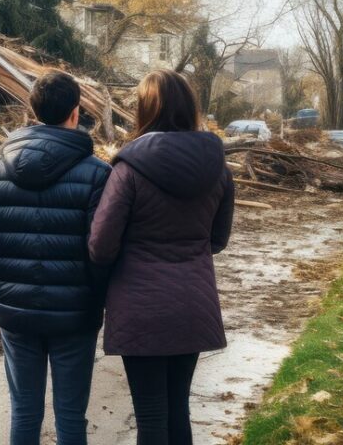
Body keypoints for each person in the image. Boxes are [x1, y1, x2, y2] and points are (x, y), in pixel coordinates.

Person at [0, 71, 111, 445]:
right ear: (75, 113)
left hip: (17, 309)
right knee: (71, 415)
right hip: (76, 311)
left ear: (32, 110)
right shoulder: (98, 175)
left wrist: (7, 278)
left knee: (24, 410)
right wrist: (92, 289)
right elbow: (103, 247)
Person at [88, 70, 234, 445]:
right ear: (189, 106)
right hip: (194, 302)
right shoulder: (217, 166)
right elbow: (217, 239)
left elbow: (101, 245)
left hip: (141, 307)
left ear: (145, 108)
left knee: (152, 416)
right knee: (178, 409)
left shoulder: (128, 168)